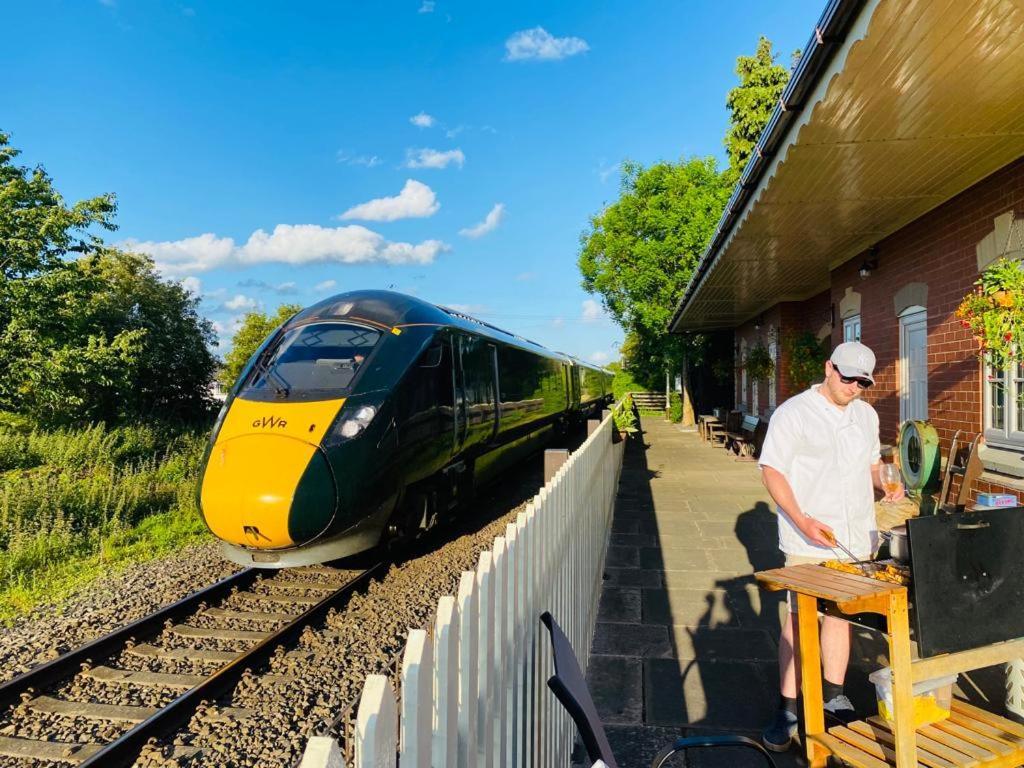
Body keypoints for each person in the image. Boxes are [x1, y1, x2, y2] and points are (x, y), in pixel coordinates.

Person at [757, 341, 905, 752]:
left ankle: (834, 694)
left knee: (840, 617)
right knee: (798, 620)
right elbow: (772, 471)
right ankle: (787, 708)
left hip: (857, 538)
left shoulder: (867, 415)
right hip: (809, 537)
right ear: (829, 368)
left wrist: (887, 483)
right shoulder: (794, 413)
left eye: (863, 381)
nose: (854, 386)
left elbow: (874, 465)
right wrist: (802, 519)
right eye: (847, 377)